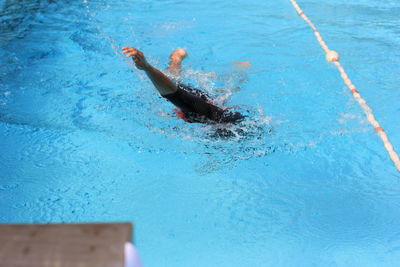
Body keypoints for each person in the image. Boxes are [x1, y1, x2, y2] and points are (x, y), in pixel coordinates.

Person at [122, 46, 245, 124]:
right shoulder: (208, 115)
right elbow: (173, 93)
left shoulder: (218, 121)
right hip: (199, 104)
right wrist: (146, 68)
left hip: (206, 106)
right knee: (175, 85)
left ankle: (240, 72)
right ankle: (176, 58)